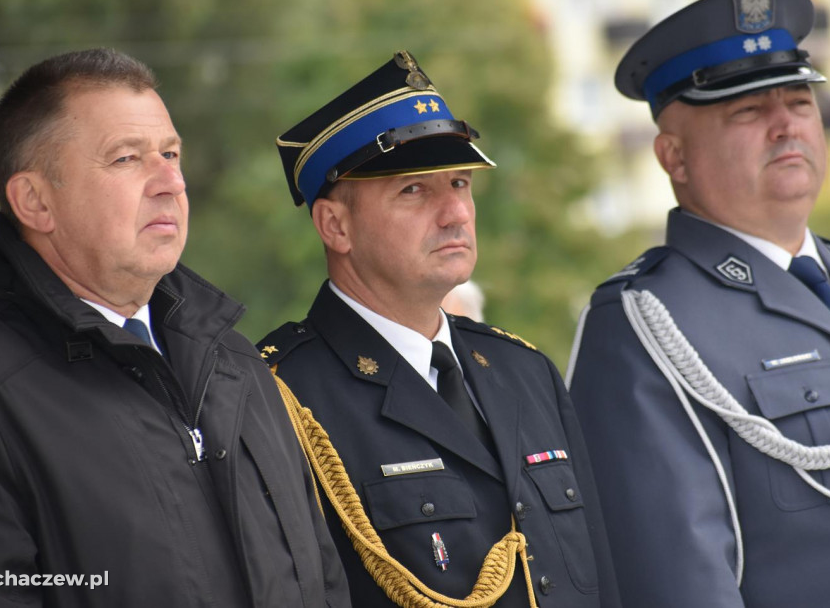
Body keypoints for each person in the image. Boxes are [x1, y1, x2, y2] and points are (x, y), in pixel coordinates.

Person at [0, 48, 351, 607]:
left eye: (171, 154)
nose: (170, 182)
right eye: (126, 159)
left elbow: (325, 583)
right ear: (35, 201)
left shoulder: (235, 363)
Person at [567, 0, 830, 608]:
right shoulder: (643, 327)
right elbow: (673, 581)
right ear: (673, 157)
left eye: (799, 100)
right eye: (747, 111)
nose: (786, 124)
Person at [259, 50, 619, 608]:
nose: (455, 213)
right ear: (335, 225)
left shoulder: (525, 372)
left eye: (459, 183)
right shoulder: (279, 397)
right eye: (414, 190)